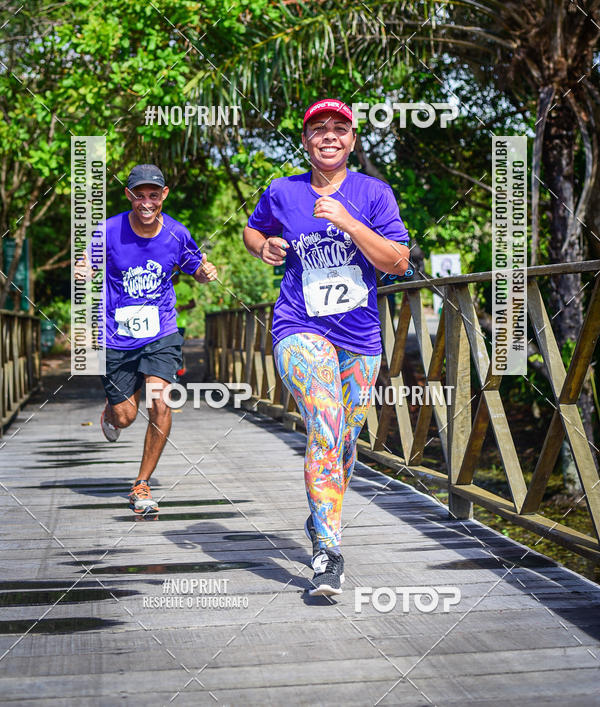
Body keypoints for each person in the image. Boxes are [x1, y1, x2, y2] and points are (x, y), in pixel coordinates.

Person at [243, 99, 410, 596]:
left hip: (360, 337)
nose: (330, 136)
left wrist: (350, 223)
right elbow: (253, 229)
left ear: (353, 140)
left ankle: (321, 518)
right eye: (319, 128)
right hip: (299, 326)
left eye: (340, 128)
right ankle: (328, 552)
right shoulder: (283, 190)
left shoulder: (373, 193)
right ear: (306, 140)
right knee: (325, 422)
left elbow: (398, 262)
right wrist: (263, 246)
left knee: (344, 441)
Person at [77, 164, 217, 517]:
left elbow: (196, 269)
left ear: (163, 195)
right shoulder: (109, 231)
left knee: (160, 402)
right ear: (129, 196)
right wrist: (83, 269)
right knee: (125, 417)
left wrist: (205, 272)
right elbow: (87, 263)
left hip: (161, 332)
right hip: (117, 336)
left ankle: (141, 483)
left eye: (153, 195)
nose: (146, 202)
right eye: (139, 195)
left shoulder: (176, 233)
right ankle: (112, 412)